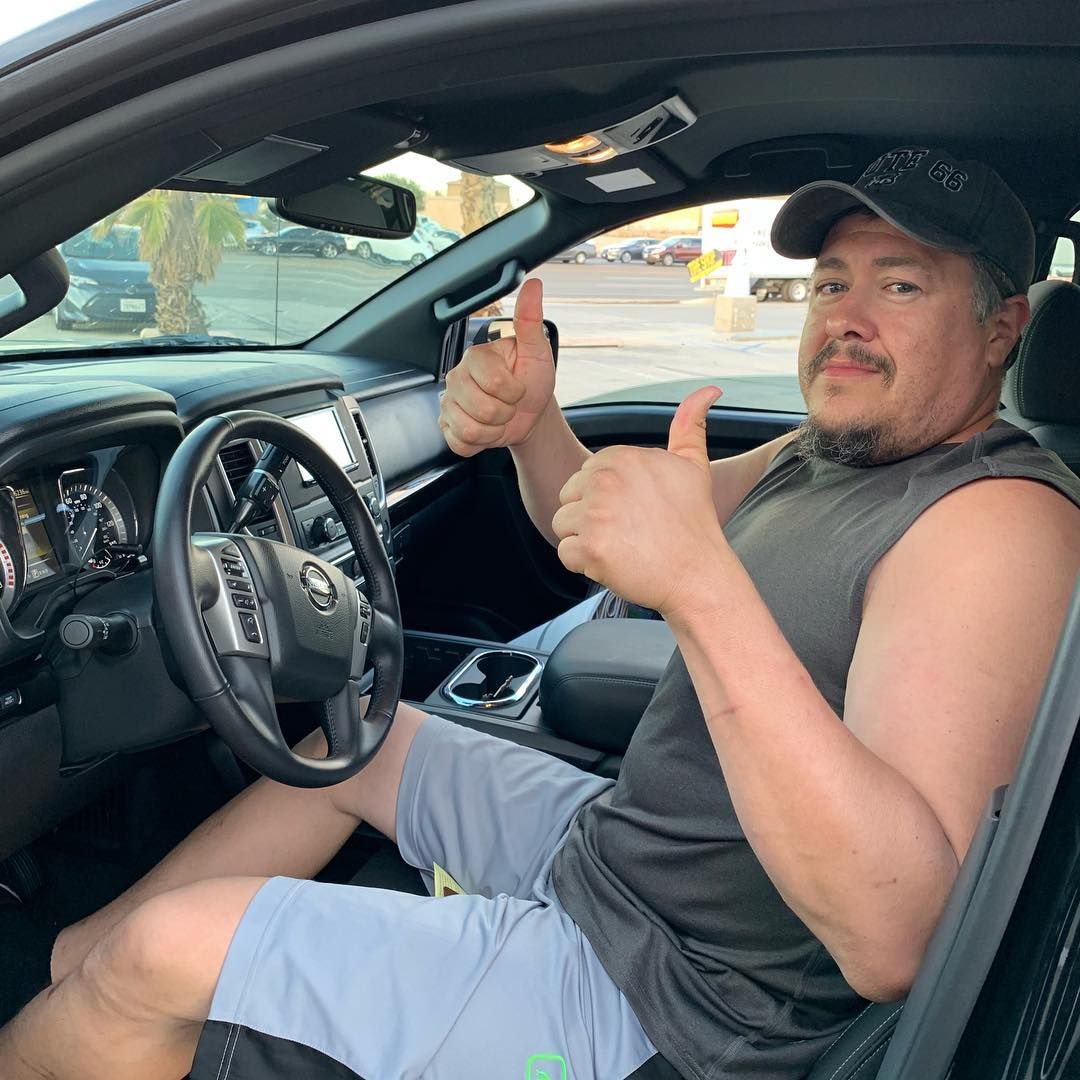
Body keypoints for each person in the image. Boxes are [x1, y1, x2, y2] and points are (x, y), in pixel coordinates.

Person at [2, 146, 1079, 1080]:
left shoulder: (992, 525)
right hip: (626, 860)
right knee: (362, 738)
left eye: (899, 286)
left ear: (1003, 329)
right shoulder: (829, 453)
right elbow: (609, 519)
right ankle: (64, 973)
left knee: (167, 953)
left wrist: (702, 593)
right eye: (829, 283)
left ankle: (101, 996)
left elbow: (897, 935)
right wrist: (533, 426)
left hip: (677, 1010)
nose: (844, 319)